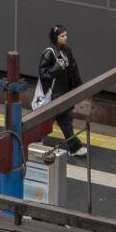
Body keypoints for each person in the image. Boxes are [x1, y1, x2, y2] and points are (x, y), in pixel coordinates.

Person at [37, 25, 88, 157]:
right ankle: (74, 147)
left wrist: (78, 86)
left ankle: (37, 138)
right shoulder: (49, 52)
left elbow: (73, 70)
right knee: (62, 119)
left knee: (61, 119)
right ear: (55, 37)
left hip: (64, 92)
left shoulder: (66, 50)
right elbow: (43, 73)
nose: (65, 38)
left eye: (66, 35)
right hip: (54, 94)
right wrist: (56, 68)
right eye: (62, 36)